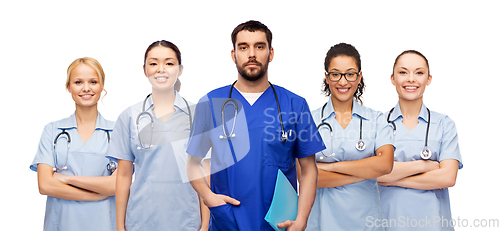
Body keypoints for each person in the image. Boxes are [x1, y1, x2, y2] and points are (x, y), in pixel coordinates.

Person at [186, 20, 324, 231]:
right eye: (244, 47)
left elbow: (308, 169)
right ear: (234, 55)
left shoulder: (295, 104)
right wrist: (209, 197)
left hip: (278, 224)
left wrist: (302, 219)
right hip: (227, 222)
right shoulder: (211, 103)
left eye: (259, 46)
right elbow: (192, 164)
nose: (252, 54)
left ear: (271, 53)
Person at [106, 40, 209, 231]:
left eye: (169, 63)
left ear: (180, 69)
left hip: (187, 220)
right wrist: (120, 227)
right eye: (153, 63)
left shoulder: (198, 115)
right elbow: (123, 177)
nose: (161, 69)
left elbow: (206, 173)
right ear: (144, 70)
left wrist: (204, 225)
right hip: (141, 220)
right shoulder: (129, 116)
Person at [304, 43, 394, 230]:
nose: (343, 82)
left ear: (359, 76)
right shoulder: (309, 120)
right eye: (335, 74)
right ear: (327, 77)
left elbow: (385, 165)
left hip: (366, 223)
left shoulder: (377, 120)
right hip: (322, 223)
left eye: (350, 74)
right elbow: (305, 176)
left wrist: (331, 167)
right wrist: (367, 170)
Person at [377, 50, 462, 230]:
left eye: (419, 72)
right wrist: (423, 166)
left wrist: (392, 178)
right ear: (392, 78)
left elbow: (447, 177)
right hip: (388, 222)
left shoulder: (444, 124)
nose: (411, 79)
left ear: (428, 79)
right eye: (403, 72)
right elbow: (373, 175)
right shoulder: (378, 124)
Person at [30, 57, 117, 231]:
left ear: (101, 86)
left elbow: (116, 185)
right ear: (68, 87)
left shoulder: (116, 132)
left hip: (104, 224)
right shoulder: (53, 130)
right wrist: (96, 195)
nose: (86, 88)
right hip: (62, 224)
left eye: (93, 82)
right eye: (78, 82)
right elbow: (45, 185)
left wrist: (67, 178)